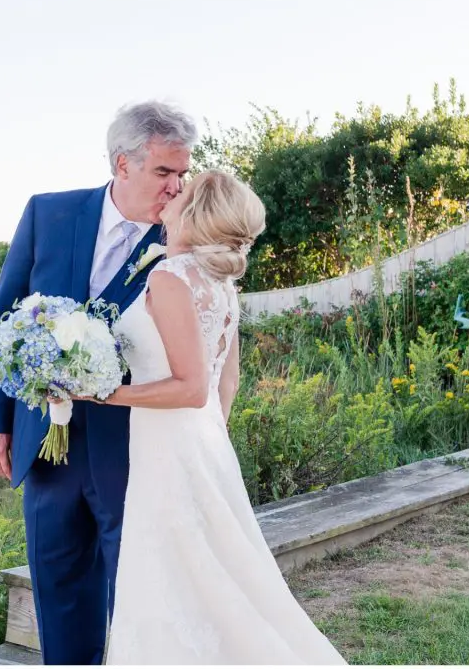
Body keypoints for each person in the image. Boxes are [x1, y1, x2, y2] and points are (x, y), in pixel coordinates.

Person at [91, 170, 347, 665]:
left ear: (193, 214)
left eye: (180, 192)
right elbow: (224, 383)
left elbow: (190, 387)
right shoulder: (219, 281)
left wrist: (101, 394)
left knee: (170, 568)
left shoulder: (169, 277)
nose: (170, 194)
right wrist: (208, 438)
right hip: (201, 442)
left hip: (169, 446)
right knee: (214, 567)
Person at [0, 100, 197, 665]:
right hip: (46, 443)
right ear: (123, 165)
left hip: (134, 443)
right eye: (164, 172)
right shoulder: (49, 214)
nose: (177, 187)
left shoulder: (183, 241)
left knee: (138, 589)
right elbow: (2, 322)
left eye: (184, 172)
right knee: (58, 583)